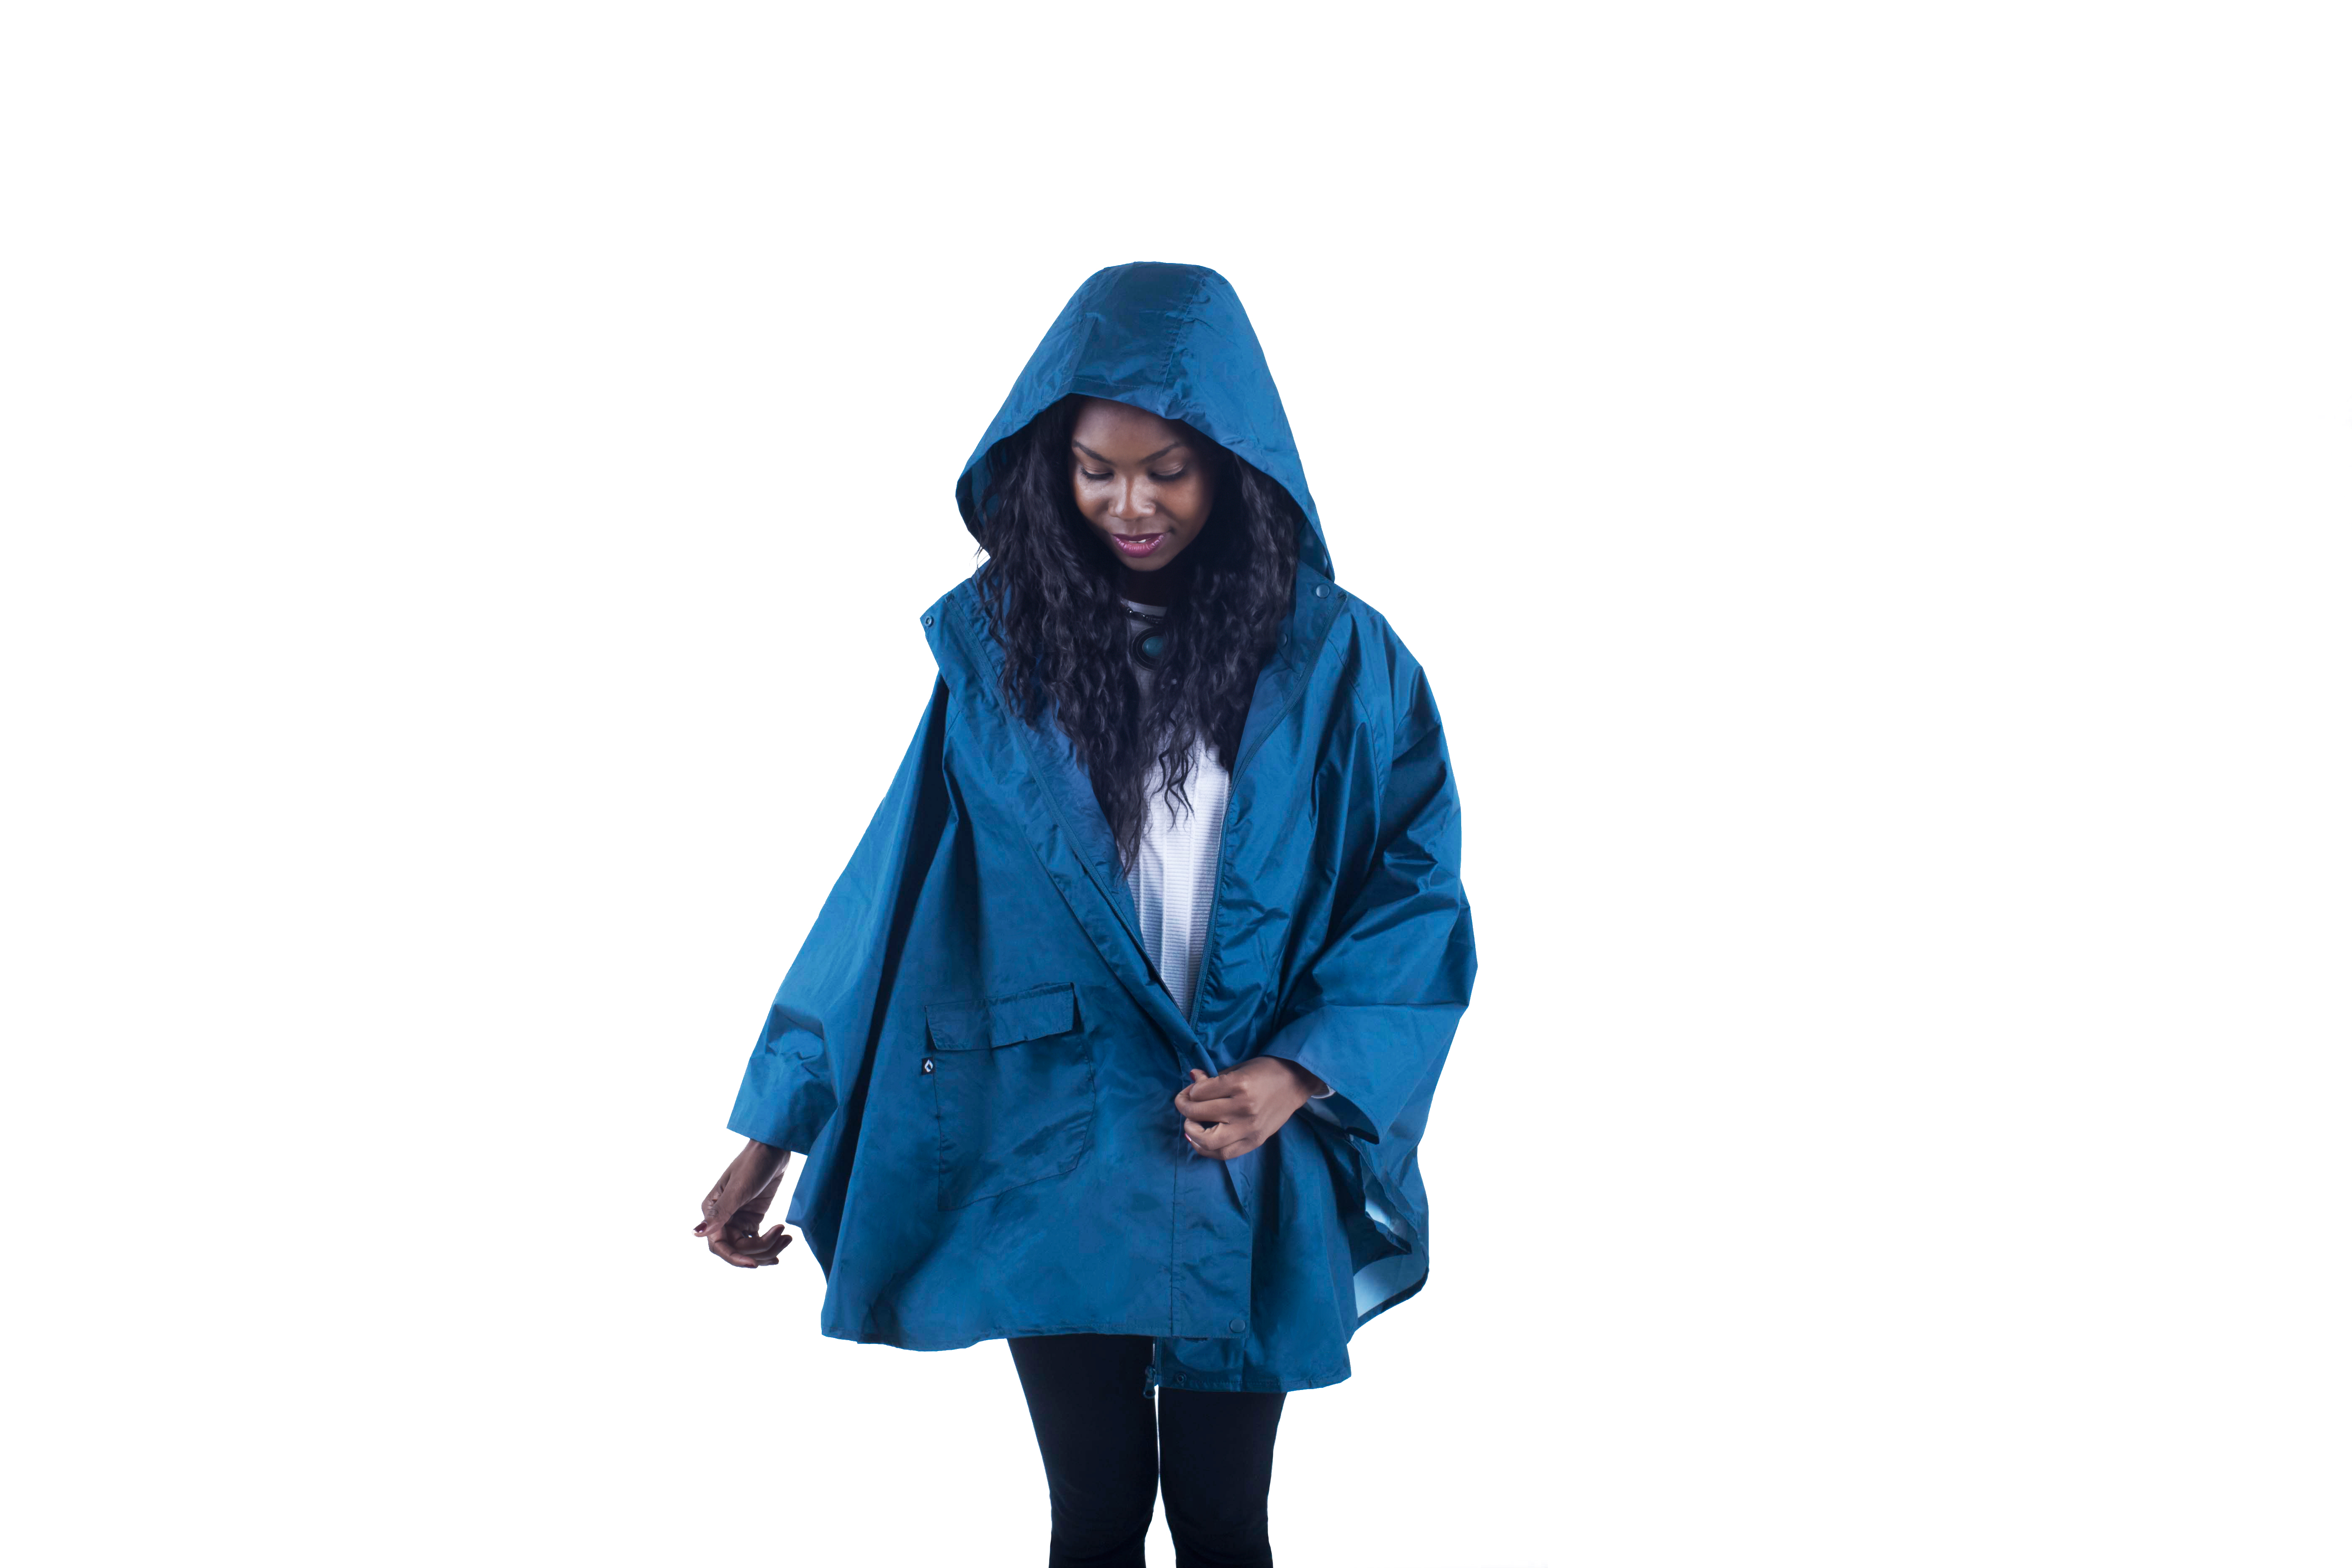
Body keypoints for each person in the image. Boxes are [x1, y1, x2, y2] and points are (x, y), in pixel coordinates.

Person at [694, 261, 1476, 1567]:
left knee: (1224, 1516)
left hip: (1245, 1131)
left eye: (1169, 469)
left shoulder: (1344, 661)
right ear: (1048, 469)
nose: (1131, 503)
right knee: (1096, 1511)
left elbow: (1416, 889)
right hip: (1054, 1132)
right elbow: (888, 895)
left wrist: (1298, 1072)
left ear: (1234, 467)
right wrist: (776, 1128)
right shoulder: (1002, 661)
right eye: (1097, 470)